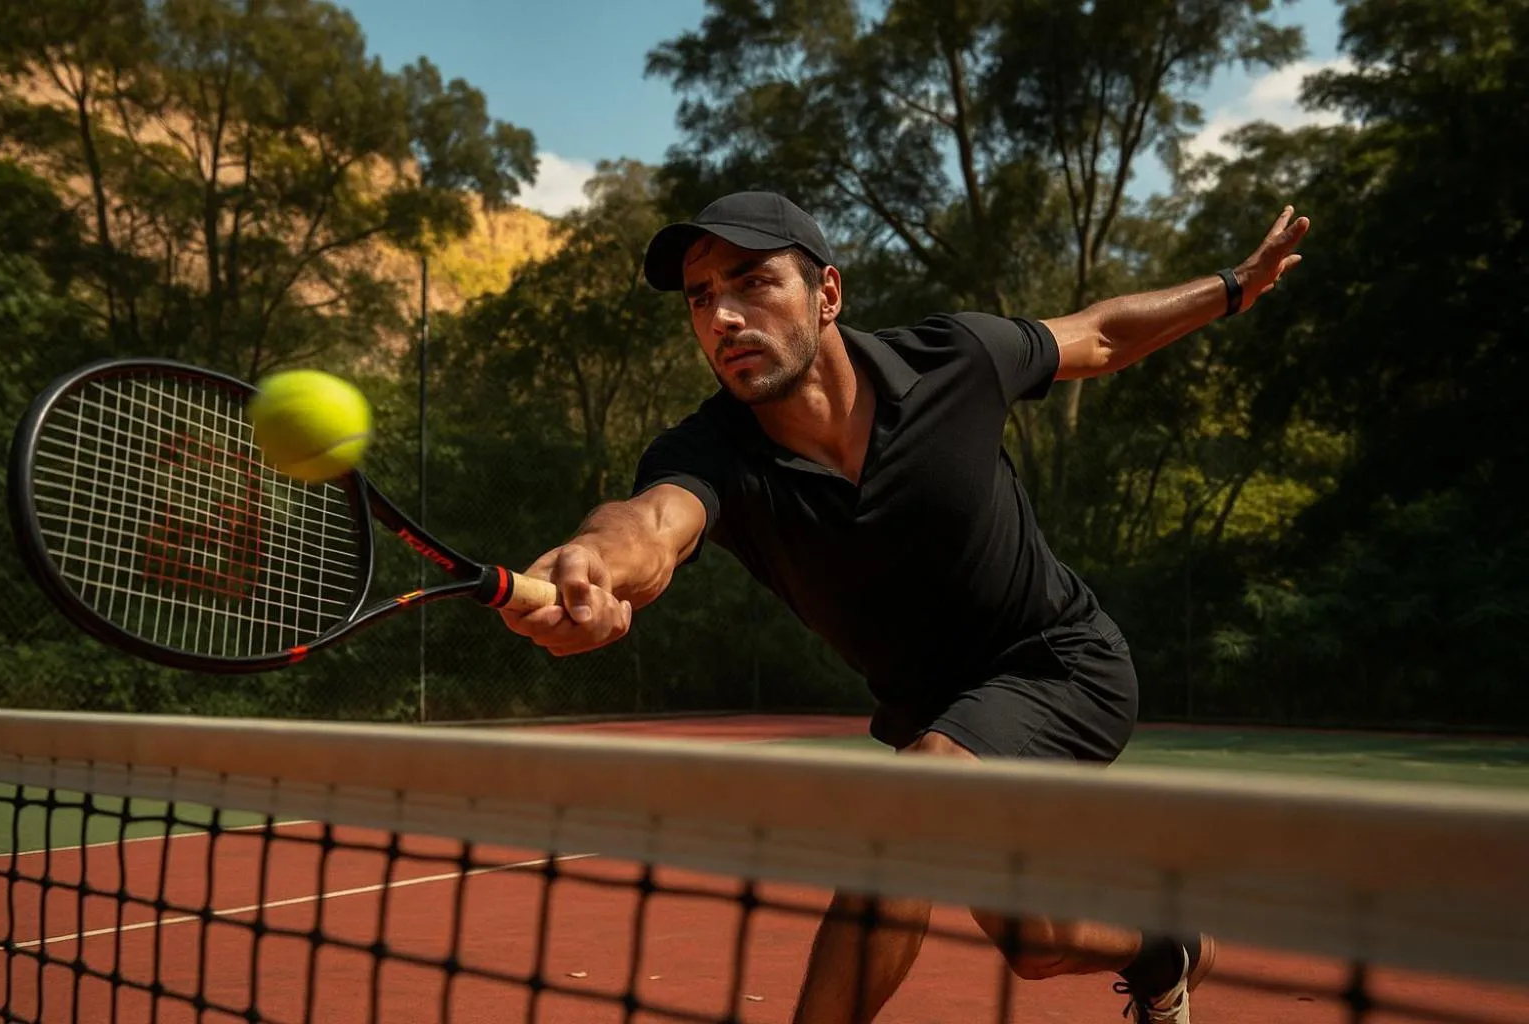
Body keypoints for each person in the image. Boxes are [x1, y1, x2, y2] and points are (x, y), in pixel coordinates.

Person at [500, 190, 1309, 1023]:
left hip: (1064, 666)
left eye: (752, 283)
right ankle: (1164, 948)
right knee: (1035, 940)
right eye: (702, 298)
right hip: (937, 713)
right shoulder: (708, 452)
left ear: (827, 294)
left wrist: (1236, 286)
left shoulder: (955, 359)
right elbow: (654, 527)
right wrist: (591, 561)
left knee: (906, 808)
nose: (724, 316)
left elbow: (1101, 335)